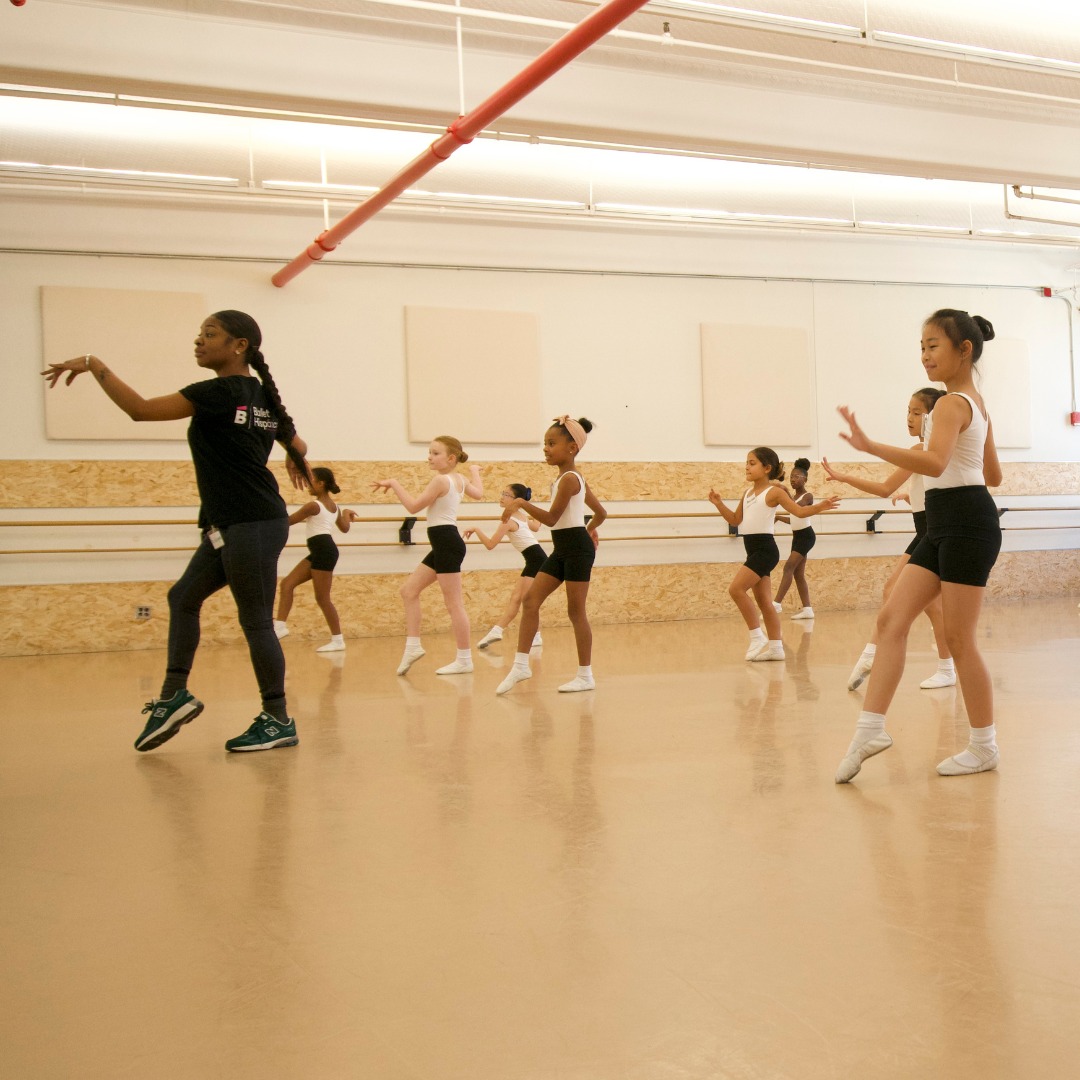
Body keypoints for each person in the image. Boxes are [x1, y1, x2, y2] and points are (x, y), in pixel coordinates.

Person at [42, 310, 310, 753]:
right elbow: (298, 444)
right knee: (182, 597)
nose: (199, 341)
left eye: (210, 335)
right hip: (232, 524)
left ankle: (277, 719)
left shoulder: (219, 392)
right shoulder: (260, 396)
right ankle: (173, 697)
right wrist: (292, 456)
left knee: (257, 622)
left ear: (238, 345)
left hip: (252, 523)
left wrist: (92, 362)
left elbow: (140, 411)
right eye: (199, 334)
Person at [834, 309, 1002, 783]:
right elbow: (993, 475)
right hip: (946, 521)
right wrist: (961, 462)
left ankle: (984, 746)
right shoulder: (975, 404)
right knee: (892, 617)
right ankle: (870, 729)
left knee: (958, 638)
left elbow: (933, 462)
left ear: (964, 350)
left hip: (966, 522)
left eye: (933, 346)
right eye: (922, 347)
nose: (925, 356)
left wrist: (870, 446)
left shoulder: (951, 405)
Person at [822, 387, 956, 691]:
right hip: (925, 530)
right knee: (931, 606)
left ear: (934, 417)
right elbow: (914, 489)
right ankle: (946, 667)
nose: (909, 418)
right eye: (908, 411)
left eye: (917, 412)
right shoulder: (926, 450)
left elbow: (883, 488)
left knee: (895, 591)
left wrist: (845, 477)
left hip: (932, 533)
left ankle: (873, 653)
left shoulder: (924, 450)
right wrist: (912, 495)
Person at [495, 417, 607, 695]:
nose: (545, 449)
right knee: (530, 600)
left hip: (577, 550)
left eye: (552, 443)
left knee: (575, 611)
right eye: (545, 443)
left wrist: (521, 502)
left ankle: (585, 675)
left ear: (572, 448)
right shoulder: (567, 478)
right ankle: (521, 665)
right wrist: (589, 528)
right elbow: (601, 513)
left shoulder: (570, 479)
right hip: (563, 548)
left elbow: (553, 518)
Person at [709, 448, 839, 662]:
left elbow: (799, 512)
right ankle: (776, 648)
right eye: (747, 463)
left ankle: (757, 635)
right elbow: (735, 520)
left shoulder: (774, 491)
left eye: (752, 463)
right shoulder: (748, 493)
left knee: (736, 589)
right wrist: (718, 503)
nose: (747, 467)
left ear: (767, 468)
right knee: (765, 602)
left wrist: (821, 506)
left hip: (765, 550)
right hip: (752, 549)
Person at [373, 437, 483, 675]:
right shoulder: (460, 479)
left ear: (450, 458)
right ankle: (413, 646)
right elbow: (480, 493)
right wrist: (474, 471)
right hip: (445, 542)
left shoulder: (441, 480)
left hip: (446, 542)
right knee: (409, 591)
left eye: (435, 453)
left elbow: (413, 507)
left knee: (454, 604)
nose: (430, 457)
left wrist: (394, 483)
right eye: (429, 453)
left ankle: (464, 659)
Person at [274, 466, 359, 653]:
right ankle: (279, 627)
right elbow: (345, 528)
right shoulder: (334, 507)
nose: (307, 484)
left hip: (323, 550)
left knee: (322, 598)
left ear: (321, 484)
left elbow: (288, 521)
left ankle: (338, 640)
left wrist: (267, 519)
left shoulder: (314, 505)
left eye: (310, 480)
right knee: (287, 584)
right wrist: (345, 513)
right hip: (320, 550)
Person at [463, 482, 546, 651]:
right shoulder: (520, 516)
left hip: (537, 560)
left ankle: (535, 636)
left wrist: (476, 529)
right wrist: (530, 508)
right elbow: (537, 526)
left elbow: (491, 545)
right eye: (502, 493)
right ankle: (497, 631)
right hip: (533, 559)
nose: (501, 497)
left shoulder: (508, 520)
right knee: (516, 598)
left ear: (516, 500)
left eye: (506, 494)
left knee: (528, 601)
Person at [772, 456, 817, 620]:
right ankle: (808, 609)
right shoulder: (794, 498)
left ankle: (776, 604)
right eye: (791, 476)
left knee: (788, 567)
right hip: (797, 536)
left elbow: (796, 508)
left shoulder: (807, 496)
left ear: (805, 479)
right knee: (798, 574)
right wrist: (779, 517)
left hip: (806, 536)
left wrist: (784, 491)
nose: (793, 479)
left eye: (797, 477)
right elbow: (794, 519)